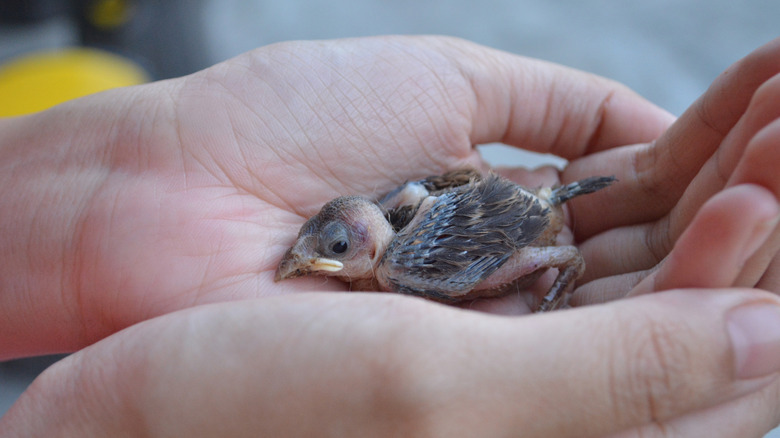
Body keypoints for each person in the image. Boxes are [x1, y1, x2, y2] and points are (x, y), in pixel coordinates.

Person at [0, 35, 779, 437]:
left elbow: (507, 234)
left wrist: (547, 254)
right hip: (513, 204)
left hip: (523, 223)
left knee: (548, 257)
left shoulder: (405, 264)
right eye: (320, 251)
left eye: (330, 252)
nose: (309, 264)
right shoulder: (393, 210)